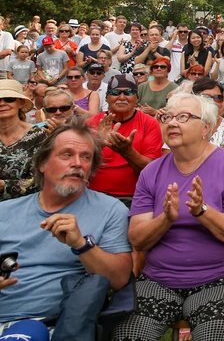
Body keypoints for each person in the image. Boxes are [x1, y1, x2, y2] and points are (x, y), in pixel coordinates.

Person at [112, 93, 224, 341]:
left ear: (205, 129)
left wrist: (202, 211)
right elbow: (137, 239)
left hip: (222, 279)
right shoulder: (152, 171)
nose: (172, 123)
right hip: (159, 279)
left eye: (183, 117)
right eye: (167, 116)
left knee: (214, 337)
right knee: (128, 335)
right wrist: (165, 218)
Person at [0, 119, 132, 339]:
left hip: (56, 325)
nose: (78, 164)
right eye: (67, 155)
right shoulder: (5, 211)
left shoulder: (109, 210)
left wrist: (81, 244)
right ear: (42, 164)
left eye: (86, 157)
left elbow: (119, 279)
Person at [86, 74, 163, 205]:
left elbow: (152, 171)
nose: (122, 97)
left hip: (134, 197)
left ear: (136, 97)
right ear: (107, 97)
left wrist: (127, 152)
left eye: (128, 92)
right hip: (93, 195)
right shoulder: (92, 123)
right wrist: (98, 146)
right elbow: (78, 163)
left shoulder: (149, 123)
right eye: (115, 92)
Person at [0, 80, 47, 200]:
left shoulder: (37, 135)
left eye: (9, 99)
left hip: (24, 204)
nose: (2, 103)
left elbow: (41, 179)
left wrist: (4, 185)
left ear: (20, 103)